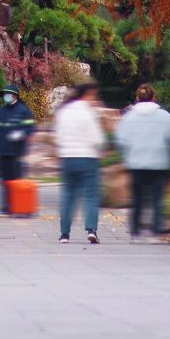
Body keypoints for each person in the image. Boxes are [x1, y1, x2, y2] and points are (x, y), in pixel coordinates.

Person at [115, 83, 170, 241]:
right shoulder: (165, 116)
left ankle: (135, 233)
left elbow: (120, 139)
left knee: (138, 199)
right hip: (159, 164)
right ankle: (154, 231)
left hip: (136, 164)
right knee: (156, 199)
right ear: (154, 98)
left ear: (137, 98)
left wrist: (128, 155)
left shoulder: (129, 117)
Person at [53, 81, 106, 245]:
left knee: (68, 196)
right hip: (87, 158)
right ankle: (91, 230)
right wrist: (102, 148)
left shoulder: (64, 112)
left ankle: (64, 234)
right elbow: (97, 138)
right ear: (88, 94)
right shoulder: (88, 112)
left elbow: (58, 136)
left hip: (67, 158)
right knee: (90, 195)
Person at [0, 85, 36, 213]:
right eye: (5, 94)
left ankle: (17, 205)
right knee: (4, 180)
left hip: (16, 151)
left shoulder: (23, 111)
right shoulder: (1, 111)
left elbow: (30, 129)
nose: (6, 96)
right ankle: (6, 206)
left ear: (15, 95)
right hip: (2, 151)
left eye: (8, 94)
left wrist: (20, 134)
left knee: (16, 179)